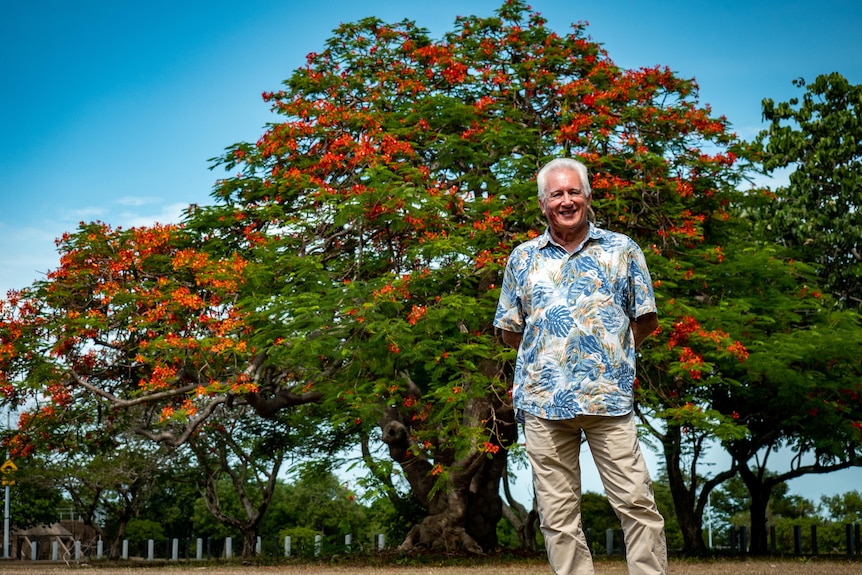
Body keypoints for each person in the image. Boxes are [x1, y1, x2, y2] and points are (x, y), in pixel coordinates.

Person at [494, 158, 668, 575]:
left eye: (574, 192)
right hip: (543, 406)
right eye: (557, 194)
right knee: (557, 517)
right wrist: (549, 357)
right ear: (542, 204)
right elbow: (511, 329)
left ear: (588, 197)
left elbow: (644, 319)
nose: (566, 200)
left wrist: (610, 356)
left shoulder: (622, 250)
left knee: (637, 503)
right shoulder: (522, 259)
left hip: (609, 400)